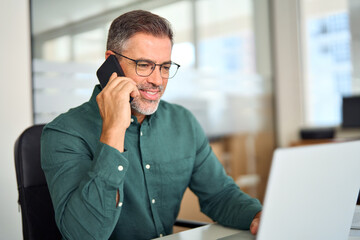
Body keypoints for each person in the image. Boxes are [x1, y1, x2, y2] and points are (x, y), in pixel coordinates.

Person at [41, 10, 262, 240]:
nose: (157, 80)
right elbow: (83, 235)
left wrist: (257, 215)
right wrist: (114, 129)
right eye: (144, 65)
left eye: (165, 67)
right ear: (111, 63)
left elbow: (220, 195)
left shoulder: (182, 122)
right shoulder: (64, 133)